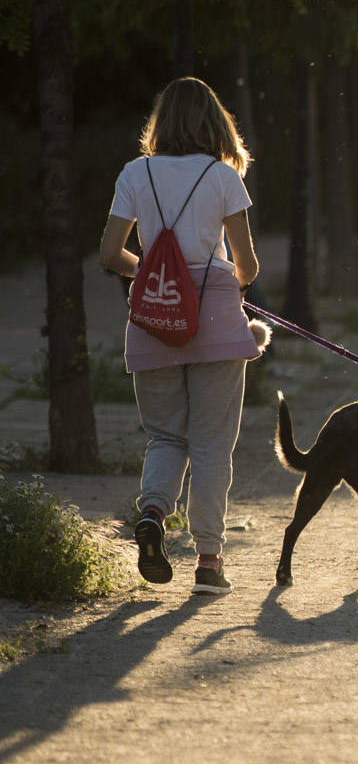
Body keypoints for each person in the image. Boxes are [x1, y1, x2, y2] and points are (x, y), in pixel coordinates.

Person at [98, 77, 264, 595]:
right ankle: (209, 564)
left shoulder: (134, 173)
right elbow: (249, 266)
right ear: (215, 122)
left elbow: (108, 256)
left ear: (161, 122)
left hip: (152, 317)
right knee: (213, 444)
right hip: (214, 316)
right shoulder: (221, 176)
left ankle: (152, 513)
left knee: (166, 435)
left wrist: (151, 271)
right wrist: (216, 283)